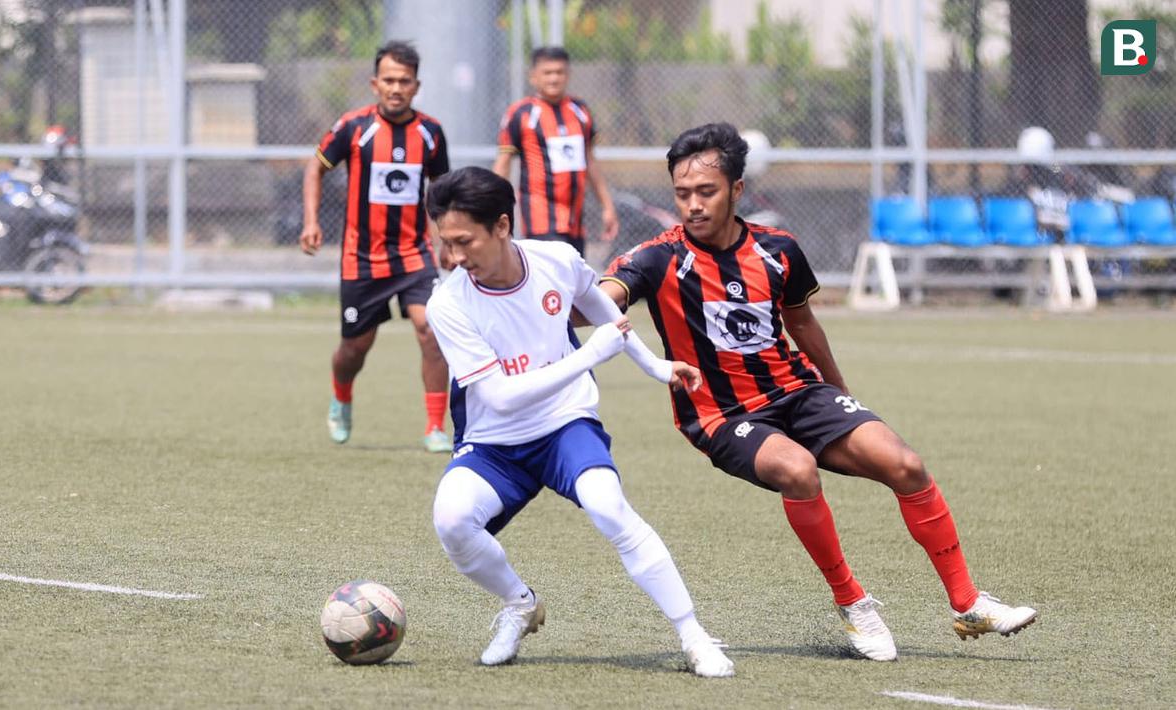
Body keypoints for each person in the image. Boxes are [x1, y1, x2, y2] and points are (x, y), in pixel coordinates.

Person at [599, 123, 1038, 661]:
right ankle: (853, 603)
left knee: (906, 464)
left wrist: (840, 395)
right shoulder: (659, 257)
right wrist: (592, 303)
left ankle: (967, 603)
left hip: (799, 391)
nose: (692, 205)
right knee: (798, 470)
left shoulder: (779, 249)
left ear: (737, 190)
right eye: (682, 194)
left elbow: (802, 324)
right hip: (722, 414)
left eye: (706, 192)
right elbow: (607, 294)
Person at [423, 166, 734, 677]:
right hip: (494, 443)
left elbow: (609, 317)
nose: (455, 257)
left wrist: (657, 367)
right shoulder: (448, 302)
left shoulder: (557, 260)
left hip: (566, 424)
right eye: (446, 243)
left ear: (501, 226)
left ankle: (694, 635)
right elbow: (499, 398)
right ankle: (519, 603)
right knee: (453, 520)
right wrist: (588, 357)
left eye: (464, 241)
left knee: (609, 508)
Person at [300, 40, 452, 453]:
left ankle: (435, 426)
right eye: (389, 80)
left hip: (413, 255)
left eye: (404, 81)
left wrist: (448, 241)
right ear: (374, 83)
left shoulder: (430, 133)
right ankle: (342, 397)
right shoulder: (353, 127)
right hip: (362, 259)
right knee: (355, 348)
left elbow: (440, 190)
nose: (396, 88)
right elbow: (315, 166)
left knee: (431, 331)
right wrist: (311, 221)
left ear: (416, 86)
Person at [491, 46, 618, 258]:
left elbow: (589, 161)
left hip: (575, 221)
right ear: (534, 77)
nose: (554, 79)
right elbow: (503, 162)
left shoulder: (580, 110)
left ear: (567, 75)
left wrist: (607, 206)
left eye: (559, 72)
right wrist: (491, 204)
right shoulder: (521, 113)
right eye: (547, 73)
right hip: (541, 219)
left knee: (573, 282)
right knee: (554, 280)